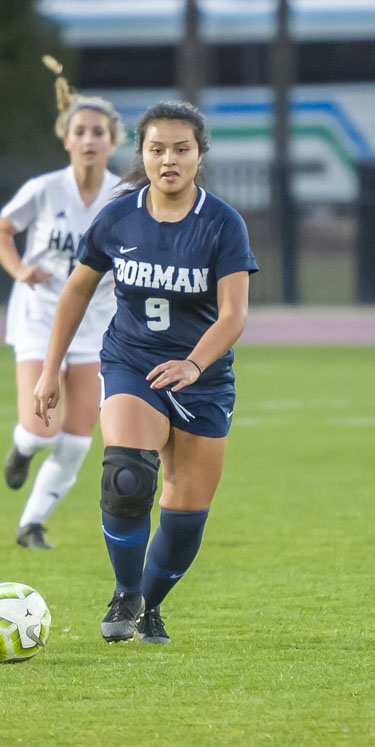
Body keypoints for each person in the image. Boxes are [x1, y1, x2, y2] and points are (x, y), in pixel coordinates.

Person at [34, 100, 258, 645]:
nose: (169, 160)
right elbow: (77, 292)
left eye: (181, 149)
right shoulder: (117, 216)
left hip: (202, 381)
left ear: (199, 154)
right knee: (126, 477)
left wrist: (194, 363)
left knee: (184, 517)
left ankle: (151, 606)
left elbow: (234, 315)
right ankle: (124, 592)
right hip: (132, 362)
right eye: (157, 149)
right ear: (142, 154)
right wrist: (50, 369)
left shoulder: (222, 223)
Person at [0, 56, 124, 550]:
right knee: (42, 431)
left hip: (97, 324)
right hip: (40, 317)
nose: (89, 140)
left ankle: (32, 524)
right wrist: (20, 269)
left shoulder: (125, 195)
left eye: (98, 132)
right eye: (80, 131)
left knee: (76, 438)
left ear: (113, 141)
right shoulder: (43, 190)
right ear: (66, 139)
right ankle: (23, 449)